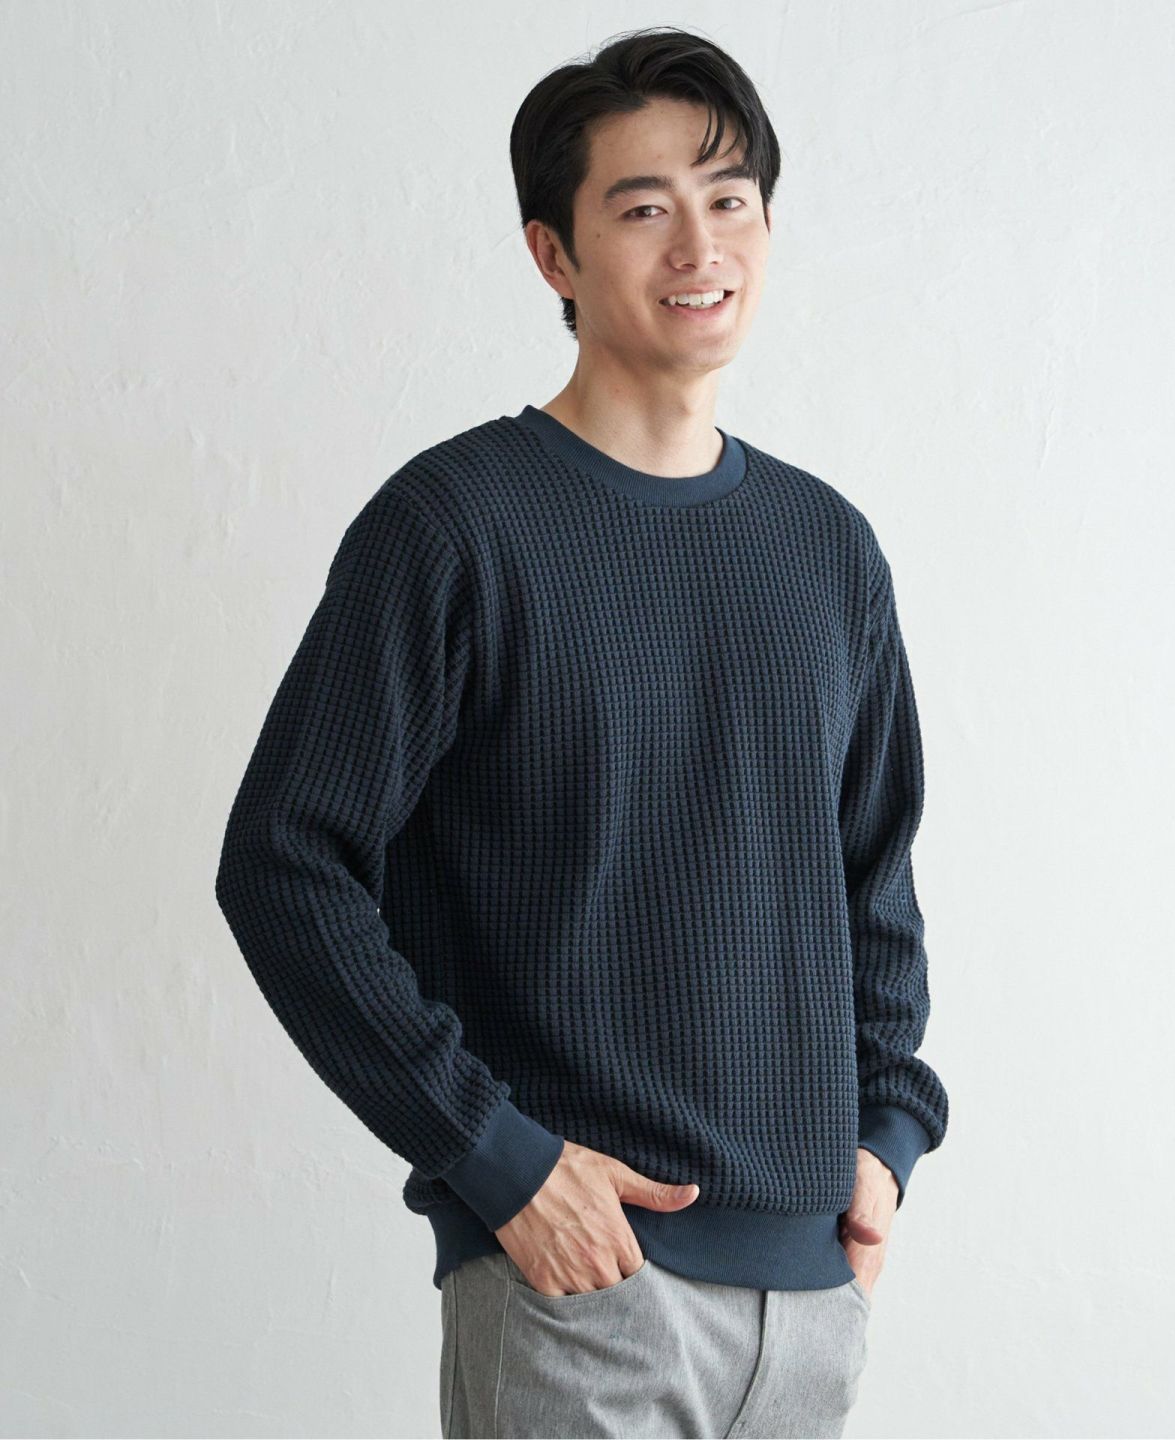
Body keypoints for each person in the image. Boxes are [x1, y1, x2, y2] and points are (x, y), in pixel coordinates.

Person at [215, 24, 950, 1440]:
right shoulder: (455, 528)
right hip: (581, 1294)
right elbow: (285, 862)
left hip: (812, 1306)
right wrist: (494, 1159)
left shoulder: (827, 549)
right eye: (643, 208)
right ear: (552, 254)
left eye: (729, 198)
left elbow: (874, 884)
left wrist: (886, 1138)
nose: (700, 245)